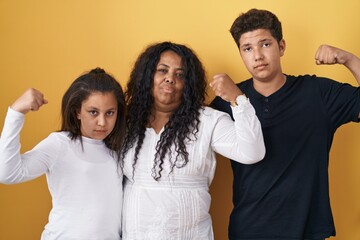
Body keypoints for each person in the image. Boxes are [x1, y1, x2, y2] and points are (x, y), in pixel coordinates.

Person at [210, 8, 360, 240]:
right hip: (248, 231)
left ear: (281, 47)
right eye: (247, 48)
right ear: (240, 53)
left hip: (306, 231)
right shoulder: (227, 100)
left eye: (265, 44)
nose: (257, 55)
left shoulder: (318, 93)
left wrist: (348, 59)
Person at [119, 41, 265, 240]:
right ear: (147, 76)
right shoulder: (126, 122)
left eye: (180, 74)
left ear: (188, 84)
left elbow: (252, 153)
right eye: (162, 70)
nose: (170, 79)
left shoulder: (207, 121)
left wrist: (237, 99)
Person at [0, 68, 126, 240]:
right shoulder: (60, 144)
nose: (102, 122)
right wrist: (16, 113)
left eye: (110, 113)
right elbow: (8, 174)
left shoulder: (120, 151)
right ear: (77, 112)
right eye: (93, 112)